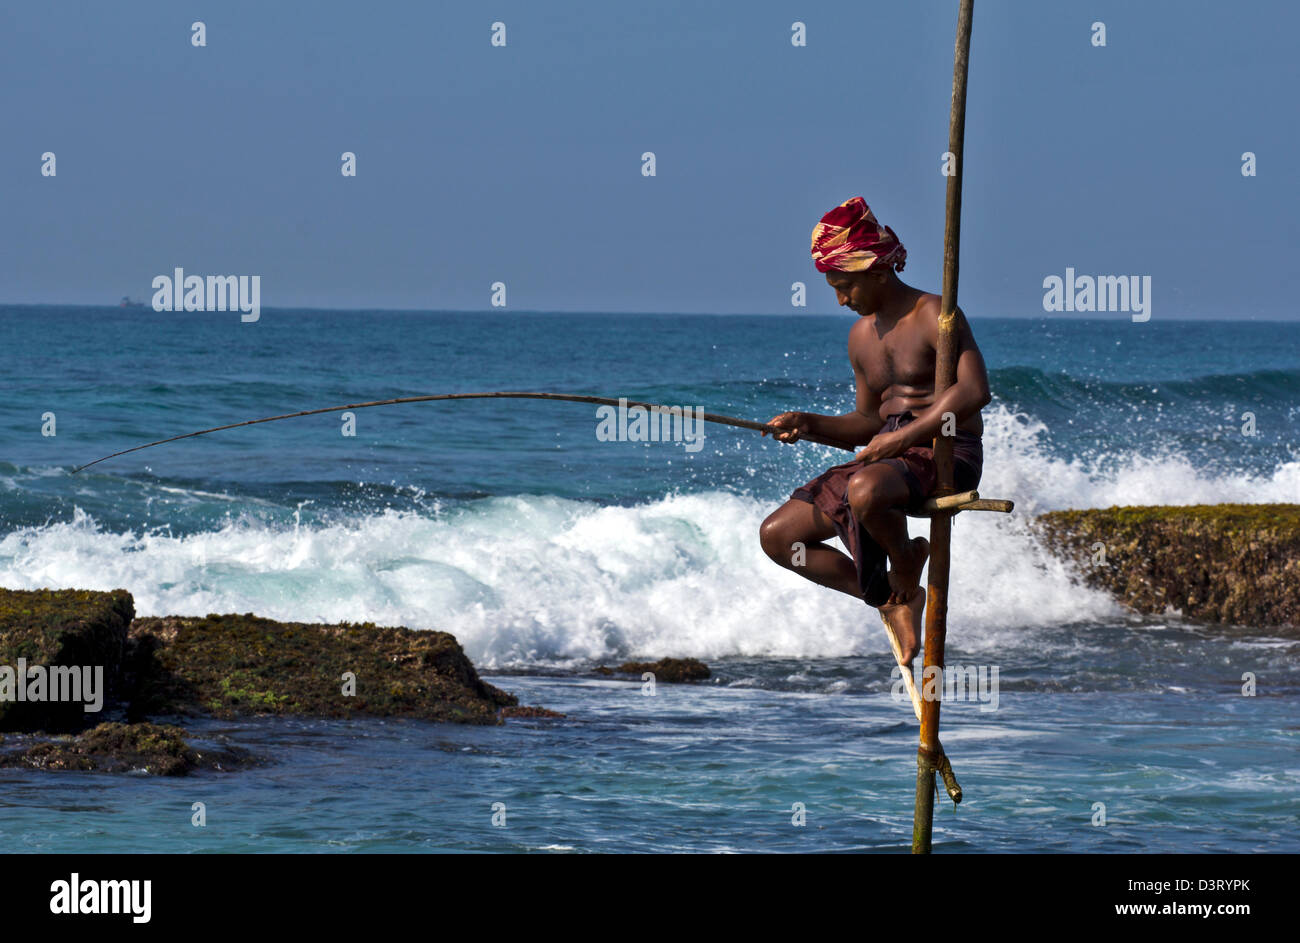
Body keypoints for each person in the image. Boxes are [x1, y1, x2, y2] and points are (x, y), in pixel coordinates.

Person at [759, 197, 991, 665]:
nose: (842, 300)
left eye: (846, 287)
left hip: (946, 453)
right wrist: (810, 423)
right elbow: (866, 424)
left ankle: (906, 563)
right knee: (779, 537)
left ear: (879, 273)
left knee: (864, 488)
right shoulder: (861, 337)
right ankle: (890, 598)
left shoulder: (935, 314)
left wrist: (904, 437)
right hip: (889, 463)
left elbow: (973, 391)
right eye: (835, 289)